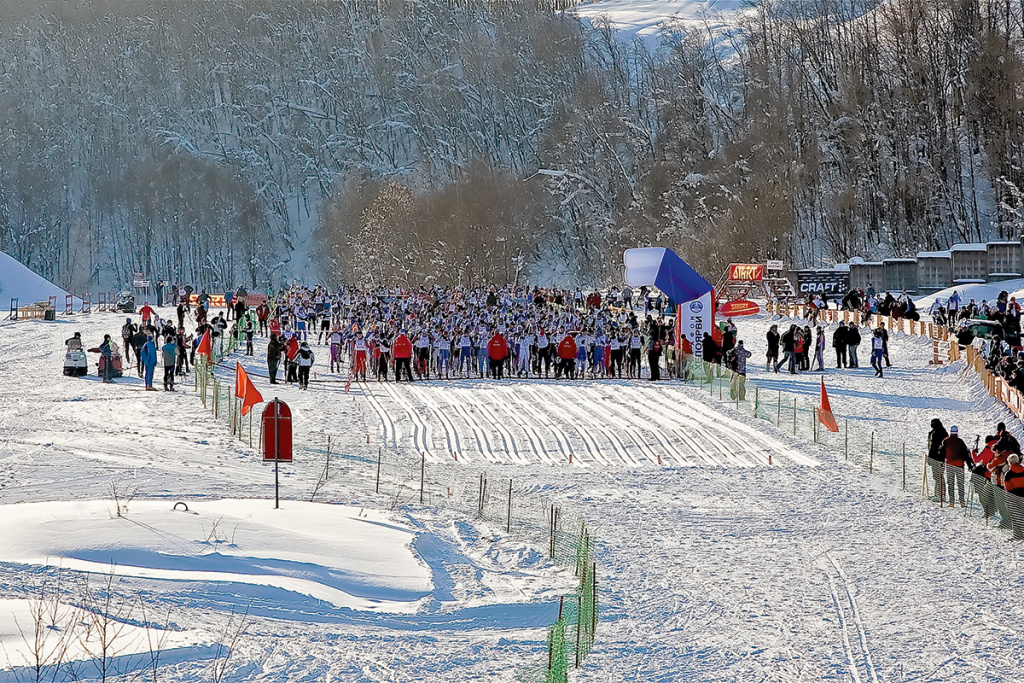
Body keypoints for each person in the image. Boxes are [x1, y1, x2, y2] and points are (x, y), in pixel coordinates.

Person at [942, 425, 969, 507]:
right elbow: (965, 453)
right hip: (960, 465)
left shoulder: (946, 441)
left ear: (950, 431)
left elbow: (942, 452)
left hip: (949, 464)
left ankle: (952, 502)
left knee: (950, 484)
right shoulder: (960, 441)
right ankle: (962, 502)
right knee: (960, 484)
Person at [1003, 454, 1024, 540]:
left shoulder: (1009, 474)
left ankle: (1017, 535)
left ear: (1010, 462)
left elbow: (1008, 487)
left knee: (1015, 517)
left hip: (1013, 497)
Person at [927, 418, 949, 501]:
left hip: (936, 458)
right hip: (941, 458)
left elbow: (933, 447)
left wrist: (930, 457)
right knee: (938, 476)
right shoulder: (944, 433)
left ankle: (940, 495)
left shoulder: (936, 433)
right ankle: (938, 494)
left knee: (938, 476)